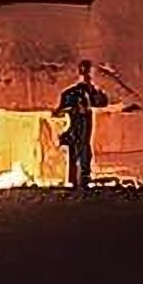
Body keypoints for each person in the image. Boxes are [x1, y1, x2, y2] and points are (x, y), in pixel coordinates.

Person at [54, 58, 111, 190]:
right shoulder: (72, 92)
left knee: (83, 150)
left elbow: (101, 102)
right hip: (76, 124)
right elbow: (61, 109)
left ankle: (82, 179)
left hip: (83, 126)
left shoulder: (90, 91)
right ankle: (76, 180)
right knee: (76, 150)